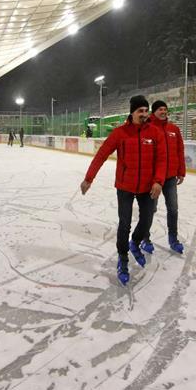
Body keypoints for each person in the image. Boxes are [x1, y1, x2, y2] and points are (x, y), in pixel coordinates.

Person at [80, 95, 167, 286]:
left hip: (147, 187)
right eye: (140, 111)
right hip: (125, 186)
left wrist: (159, 181)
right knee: (124, 223)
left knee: (147, 220)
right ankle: (123, 259)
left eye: (146, 110)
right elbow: (102, 155)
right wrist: (89, 178)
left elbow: (162, 160)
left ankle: (135, 243)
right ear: (132, 113)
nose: (144, 114)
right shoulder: (120, 133)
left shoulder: (155, 133)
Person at [143, 100, 186, 255]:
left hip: (170, 178)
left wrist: (181, 171)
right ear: (153, 112)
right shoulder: (148, 128)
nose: (163, 112)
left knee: (173, 209)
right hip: (153, 179)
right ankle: (144, 238)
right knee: (150, 209)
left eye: (165, 109)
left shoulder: (174, 129)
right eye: (160, 109)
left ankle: (173, 239)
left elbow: (180, 151)